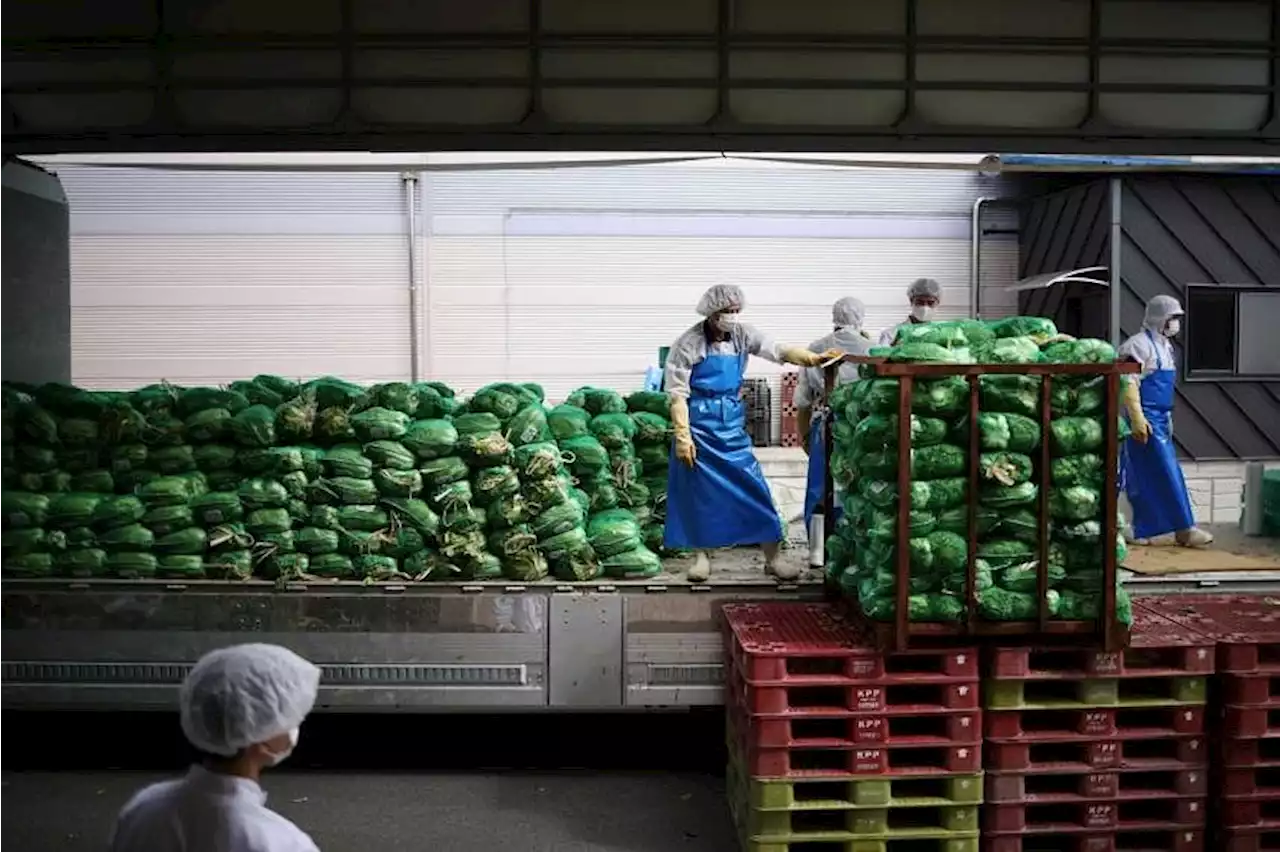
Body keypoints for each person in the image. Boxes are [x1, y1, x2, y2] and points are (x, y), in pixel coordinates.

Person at [665, 284, 843, 583]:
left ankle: (773, 558)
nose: (732, 317)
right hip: (699, 425)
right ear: (711, 312)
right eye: (726, 312)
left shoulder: (743, 335)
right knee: (699, 494)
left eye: (736, 311)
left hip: (731, 424)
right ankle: (700, 557)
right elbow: (677, 394)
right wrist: (683, 434)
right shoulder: (688, 344)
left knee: (754, 488)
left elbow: (777, 350)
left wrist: (810, 358)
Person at [109, 643, 323, 852]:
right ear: (262, 741)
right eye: (287, 716)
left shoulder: (143, 809)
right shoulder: (281, 842)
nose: (295, 723)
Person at [1118, 294, 1213, 548]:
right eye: (1173, 318)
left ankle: (1147, 529)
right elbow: (1127, 381)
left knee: (1152, 473)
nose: (1176, 324)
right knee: (1159, 472)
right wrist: (1136, 417)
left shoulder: (1165, 347)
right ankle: (1183, 529)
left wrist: (1167, 417)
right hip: (1145, 419)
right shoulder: (1136, 345)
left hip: (1161, 417)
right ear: (1161, 318)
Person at [796, 297, 874, 565]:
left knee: (820, 485)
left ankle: (818, 551)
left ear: (834, 316)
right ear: (861, 317)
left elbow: (803, 401)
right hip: (861, 427)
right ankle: (853, 548)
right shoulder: (871, 349)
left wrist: (804, 436)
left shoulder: (817, 347)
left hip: (825, 423)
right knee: (855, 484)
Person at [878, 277, 942, 346]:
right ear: (911, 301)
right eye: (920, 302)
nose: (925, 307)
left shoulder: (942, 335)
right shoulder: (890, 335)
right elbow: (881, 355)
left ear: (938, 303)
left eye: (930, 303)